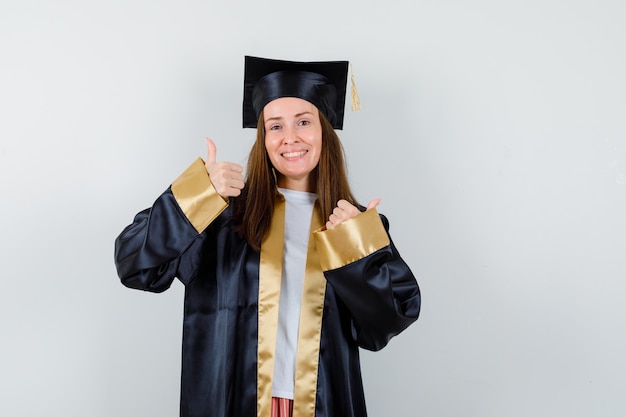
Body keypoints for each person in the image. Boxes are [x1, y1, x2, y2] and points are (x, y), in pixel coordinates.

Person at [114, 56, 421, 417]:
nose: (290, 138)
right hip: (231, 401)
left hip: (323, 403)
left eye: (303, 122)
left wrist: (358, 247)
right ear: (263, 137)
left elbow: (385, 325)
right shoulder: (224, 218)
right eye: (275, 126)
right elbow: (135, 265)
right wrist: (198, 196)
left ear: (324, 129)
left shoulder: (352, 225)